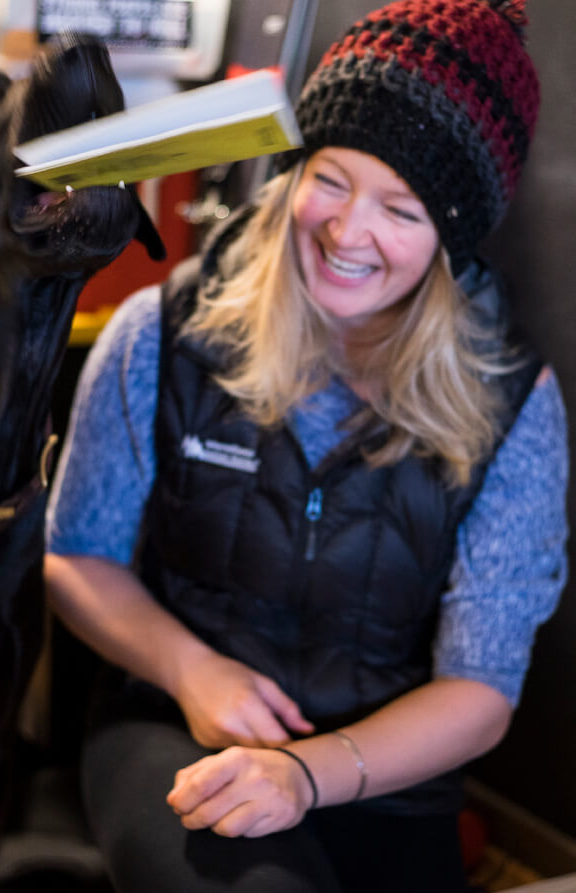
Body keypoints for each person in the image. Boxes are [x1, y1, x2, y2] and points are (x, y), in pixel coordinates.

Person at [44, 1, 569, 891]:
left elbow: (480, 692)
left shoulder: (516, 406)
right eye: (330, 179)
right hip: (177, 729)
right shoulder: (160, 333)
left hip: (387, 777)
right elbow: (74, 558)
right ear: (293, 172)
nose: (346, 230)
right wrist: (192, 668)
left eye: (400, 208)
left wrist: (308, 772)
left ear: (451, 237)